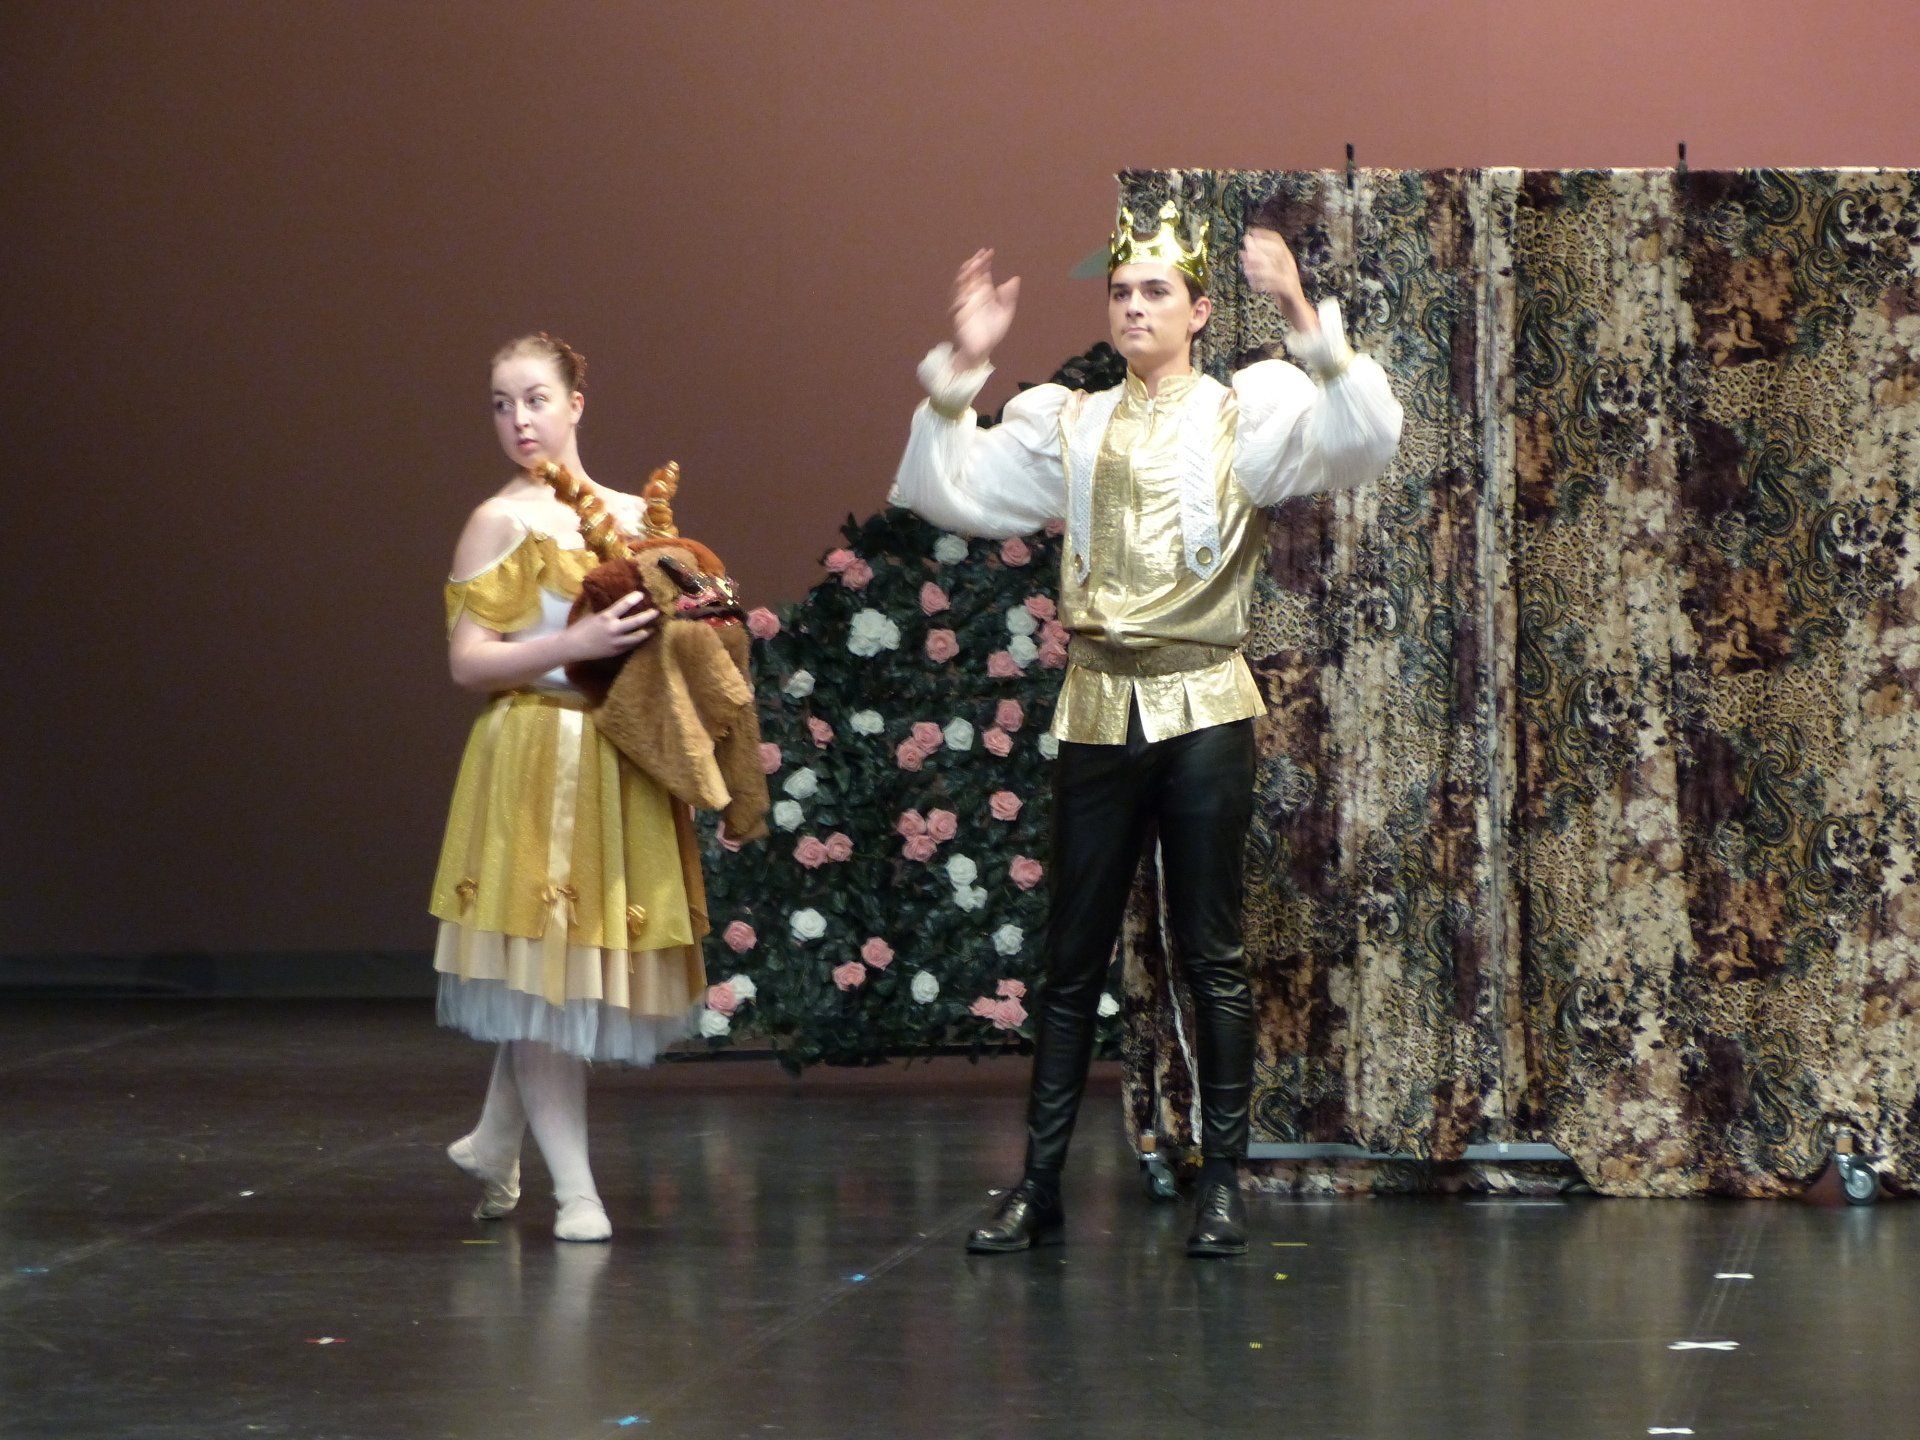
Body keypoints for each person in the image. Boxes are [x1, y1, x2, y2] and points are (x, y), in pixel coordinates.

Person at [891, 201, 1404, 1256]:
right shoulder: (1071, 421)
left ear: (1200, 310)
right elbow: (954, 486)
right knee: (1072, 956)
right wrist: (965, 368)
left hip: (1204, 704)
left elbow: (1361, 437)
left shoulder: (1243, 415)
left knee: (1209, 951)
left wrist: (1304, 314)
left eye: (1153, 291)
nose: (1132, 306)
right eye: (1120, 292)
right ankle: (1039, 1186)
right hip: (1095, 705)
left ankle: (1223, 1183)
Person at [429, 333, 711, 1242]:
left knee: (558, 976)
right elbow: (469, 662)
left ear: (576, 402)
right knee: (543, 986)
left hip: (615, 761)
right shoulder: (498, 520)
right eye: (502, 403)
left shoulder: (638, 517)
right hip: (533, 758)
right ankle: (576, 1190)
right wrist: (571, 648)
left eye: (536, 398)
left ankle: (494, 1136)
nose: (519, 420)